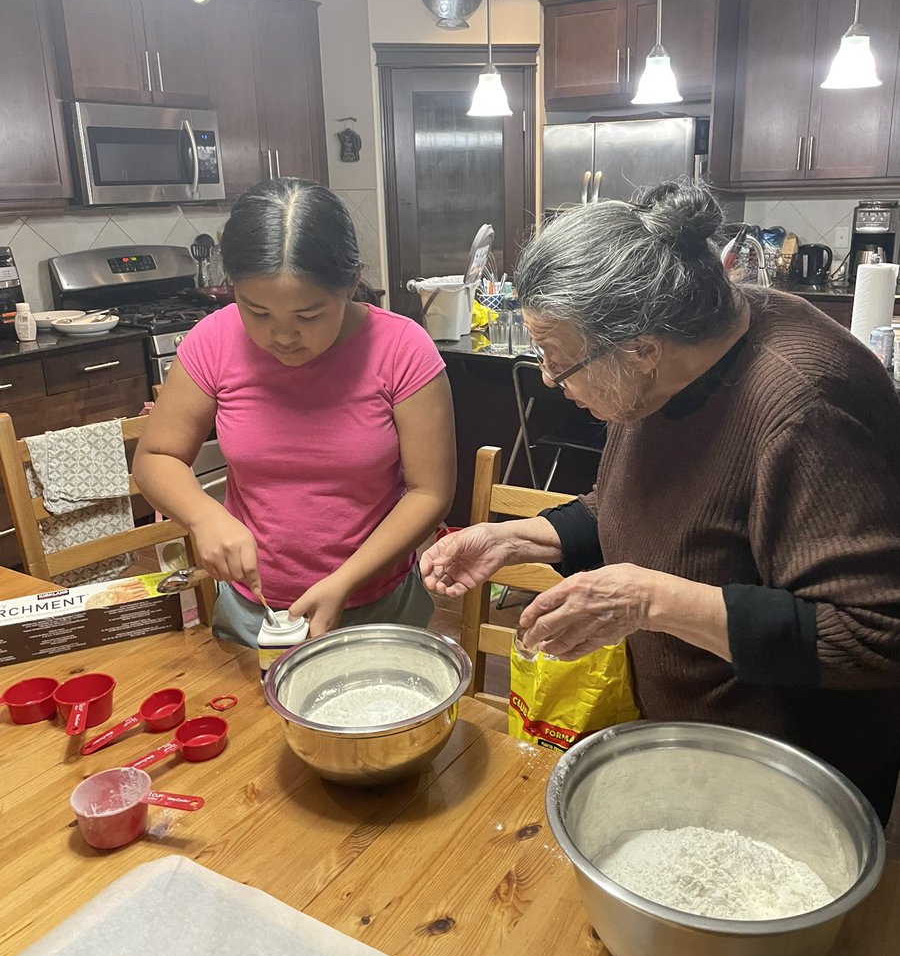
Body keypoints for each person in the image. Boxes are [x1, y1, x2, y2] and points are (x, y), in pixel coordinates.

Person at [422, 181, 900, 825]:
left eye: (557, 360)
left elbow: (877, 634)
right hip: (688, 746)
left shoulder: (805, 405)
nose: (549, 380)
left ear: (642, 347)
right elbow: (642, 507)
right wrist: (517, 538)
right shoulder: (667, 359)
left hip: (785, 781)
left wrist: (648, 600)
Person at [135, 178, 455, 644]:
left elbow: (430, 492)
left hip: (376, 608)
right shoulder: (213, 339)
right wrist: (204, 517)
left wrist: (343, 582)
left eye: (308, 316)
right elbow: (156, 457)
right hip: (255, 611)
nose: (282, 337)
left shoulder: (402, 349)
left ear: (351, 283)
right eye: (256, 311)